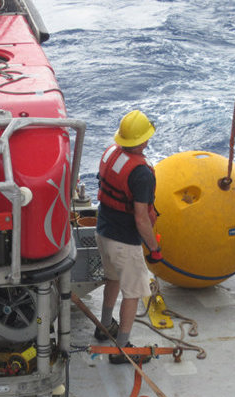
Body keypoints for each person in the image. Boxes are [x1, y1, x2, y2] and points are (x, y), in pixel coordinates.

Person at [93, 110, 162, 363]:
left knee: (112, 279)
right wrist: (154, 248)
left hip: (103, 231)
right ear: (143, 140)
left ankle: (104, 327)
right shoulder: (141, 174)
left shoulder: (112, 153)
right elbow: (141, 218)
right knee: (133, 293)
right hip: (124, 242)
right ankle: (123, 350)